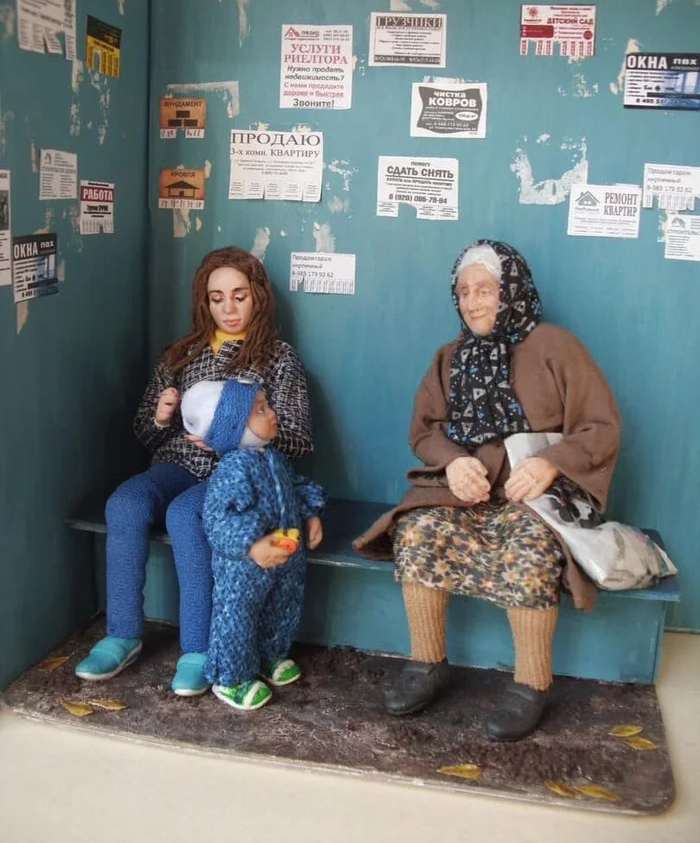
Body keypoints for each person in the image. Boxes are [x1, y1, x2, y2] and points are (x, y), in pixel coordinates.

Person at [353, 240, 620, 741]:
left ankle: (532, 683)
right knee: (420, 529)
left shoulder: (555, 346)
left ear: (512, 291)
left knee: (530, 548)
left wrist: (550, 463)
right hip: (468, 495)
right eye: (464, 292)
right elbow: (424, 431)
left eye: (485, 290)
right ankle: (428, 662)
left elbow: (600, 428)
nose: (473, 302)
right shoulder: (449, 357)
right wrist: (453, 462)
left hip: (535, 497)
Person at [75, 247, 313, 696]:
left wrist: (238, 435)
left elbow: (300, 441)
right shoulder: (181, 355)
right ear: (204, 302)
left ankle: (199, 649)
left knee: (187, 515)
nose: (229, 308)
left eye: (240, 296)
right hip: (178, 464)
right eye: (217, 298)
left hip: (238, 477)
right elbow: (145, 434)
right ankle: (122, 633)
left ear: (258, 297)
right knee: (125, 503)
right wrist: (161, 416)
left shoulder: (279, 358)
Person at [180, 378, 325, 710]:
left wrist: (311, 514)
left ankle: (270, 655)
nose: (272, 413)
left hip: (285, 554)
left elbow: (293, 487)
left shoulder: (273, 458)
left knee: (282, 605)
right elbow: (217, 518)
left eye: (267, 406)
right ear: (234, 426)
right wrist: (251, 546)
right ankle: (231, 678)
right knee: (238, 615)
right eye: (260, 410)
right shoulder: (233, 468)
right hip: (244, 566)